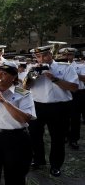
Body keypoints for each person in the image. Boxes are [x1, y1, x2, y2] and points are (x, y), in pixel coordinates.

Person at [25, 45, 78, 177]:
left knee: (58, 138)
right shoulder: (33, 69)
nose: (42, 59)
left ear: (51, 54)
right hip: (37, 106)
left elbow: (74, 87)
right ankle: (38, 160)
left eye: (45, 55)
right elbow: (25, 87)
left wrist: (54, 79)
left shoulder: (65, 67)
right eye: (38, 56)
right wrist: (33, 77)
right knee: (35, 135)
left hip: (59, 107)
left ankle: (55, 165)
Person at [59, 47, 85, 149]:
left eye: (69, 55)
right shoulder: (59, 66)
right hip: (64, 92)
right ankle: (65, 135)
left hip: (77, 93)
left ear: (73, 55)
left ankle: (74, 139)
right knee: (63, 116)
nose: (67, 57)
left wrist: (74, 74)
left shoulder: (81, 66)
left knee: (75, 117)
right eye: (65, 55)